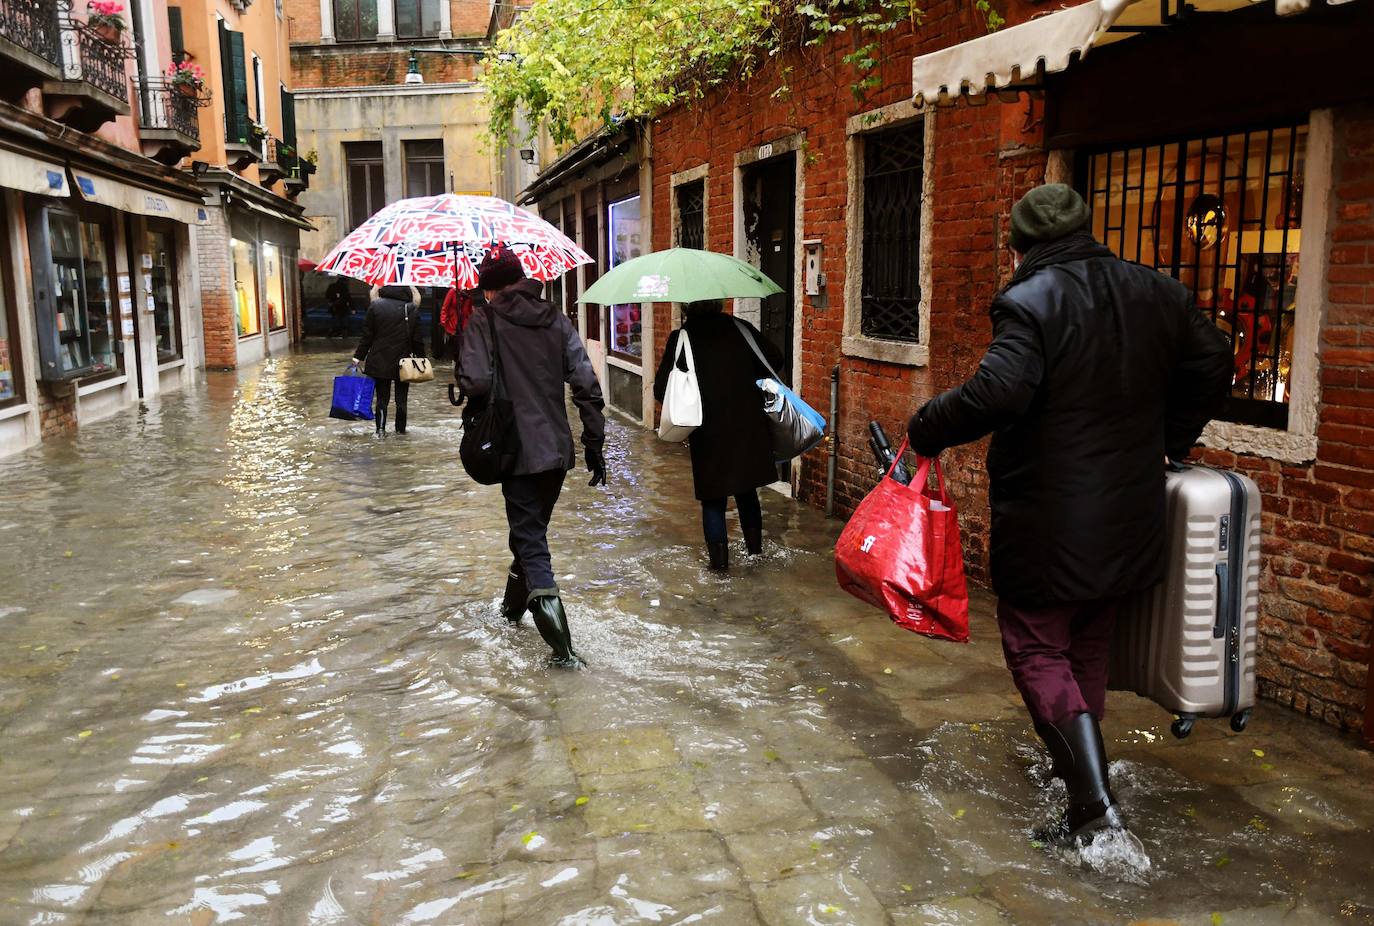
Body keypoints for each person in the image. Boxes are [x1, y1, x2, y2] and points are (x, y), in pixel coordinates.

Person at [905, 184, 1232, 843]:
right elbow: (1215, 358)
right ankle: (1076, 775)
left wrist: (927, 427)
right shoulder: (1158, 291)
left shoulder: (1029, 300)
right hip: (1132, 510)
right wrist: (1172, 438)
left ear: (1021, 247)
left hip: (1051, 518)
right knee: (1085, 638)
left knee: (1035, 644)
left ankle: (1091, 806)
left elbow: (1000, 389)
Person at [459, 245, 606, 669]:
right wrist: (593, 442)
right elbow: (585, 382)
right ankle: (509, 614)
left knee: (532, 544)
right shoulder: (556, 318)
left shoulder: (484, 319)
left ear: (489, 289)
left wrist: (466, 351)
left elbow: (476, 383)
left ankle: (564, 653)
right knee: (528, 533)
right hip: (556, 452)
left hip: (514, 450)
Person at [653, 300, 783, 572]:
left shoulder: (682, 338)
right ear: (719, 303)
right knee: (747, 491)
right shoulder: (740, 328)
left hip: (708, 430)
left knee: (714, 500)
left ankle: (720, 571)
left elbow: (660, 389)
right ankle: (755, 557)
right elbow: (775, 359)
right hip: (748, 424)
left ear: (688, 306)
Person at [351, 284, 424, 435]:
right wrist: (422, 358)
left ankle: (380, 431)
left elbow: (367, 337)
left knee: (382, 399)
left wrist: (358, 357)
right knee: (401, 400)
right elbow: (417, 339)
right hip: (404, 363)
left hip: (380, 360)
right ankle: (401, 433)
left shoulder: (375, 307)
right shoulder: (411, 309)